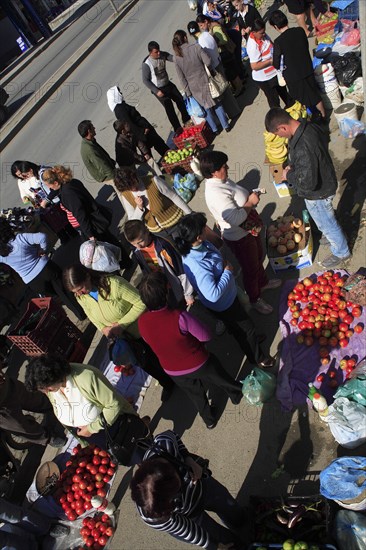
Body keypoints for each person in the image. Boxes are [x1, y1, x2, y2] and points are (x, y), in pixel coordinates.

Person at [138, 271, 243, 428]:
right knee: (219, 376)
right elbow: (205, 336)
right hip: (198, 362)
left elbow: (150, 340)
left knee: (195, 394)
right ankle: (235, 393)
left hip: (172, 369)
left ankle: (209, 420)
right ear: (167, 292)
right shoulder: (179, 317)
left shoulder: (142, 322)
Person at [174, 213, 275, 368]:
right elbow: (212, 295)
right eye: (204, 229)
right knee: (246, 328)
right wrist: (227, 271)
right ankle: (258, 358)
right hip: (224, 304)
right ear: (198, 236)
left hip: (228, 295)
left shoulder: (199, 246)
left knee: (239, 328)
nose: (207, 229)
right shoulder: (197, 265)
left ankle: (251, 341)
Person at [62, 265, 174, 397]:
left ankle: (178, 375)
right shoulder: (81, 297)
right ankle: (166, 382)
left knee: (160, 356)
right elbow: (91, 316)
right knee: (145, 363)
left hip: (141, 330)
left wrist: (121, 325)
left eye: (80, 289)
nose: (79, 294)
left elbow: (141, 303)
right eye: (75, 292)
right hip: (125, 338)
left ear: (87, 276)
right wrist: (103, 329)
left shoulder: (114, 284)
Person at [130, 429, 246, 549]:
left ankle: (240, 521)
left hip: (204, 488)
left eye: (176, 492)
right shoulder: (152, 513)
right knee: (224, 541)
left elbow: (172, 435)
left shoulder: (164, 445)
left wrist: (188, 459)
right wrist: (214, 545)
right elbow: (186, 530)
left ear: (173, 471)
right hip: (191, 516)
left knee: (230, 508)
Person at [265, 108, 351, 268]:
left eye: (277, 134)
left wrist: (287, 176)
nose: (279, 137)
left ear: (283, 127)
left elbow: (307, 182)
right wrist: (294, 166)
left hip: (318, 193)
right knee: (326, 220)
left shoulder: (303, 146)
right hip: (326, 180)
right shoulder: (307, 126)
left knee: (326, 222)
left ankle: (341, 251)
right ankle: (332, 236)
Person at [201, 150, 280, 314]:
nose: (227, 167)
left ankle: (263, 282)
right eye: (223, 166)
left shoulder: (220, 181)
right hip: (239, 237)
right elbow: (235, 219)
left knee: (258, 257)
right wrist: (250, 202)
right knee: (250, 269)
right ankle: (255, 298)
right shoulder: (215, 193)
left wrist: (248, 197)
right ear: (213, 172)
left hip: (248, 231)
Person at [24, 354, 140, 443]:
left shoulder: (87, 378)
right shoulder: (52, 389)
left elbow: (113, 405)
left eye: (46, 388)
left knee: (138, 451)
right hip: (98, 435)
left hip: (119, 427)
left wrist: (91, 428)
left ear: (55, 376)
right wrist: (83, 440)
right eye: (42, 389)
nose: (46, 392)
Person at [41, 165, 132, 268]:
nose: (49, 188)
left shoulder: (68, 194)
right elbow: (56, 191)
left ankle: (118, 265)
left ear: (56, 183)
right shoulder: (70, 183)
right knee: (109, 241)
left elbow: (80, 214)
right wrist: (47, 199)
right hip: (92, 221)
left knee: (102, 250)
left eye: (49, 186)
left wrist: (90, 234)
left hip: (90, 225)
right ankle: (125, 262)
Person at [0, 218, 85, 320]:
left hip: (33, 282)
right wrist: (42, 250)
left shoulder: (2, 254)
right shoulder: (19, 239)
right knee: (66, 291)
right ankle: (82, 312)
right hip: (46, 269)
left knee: (58, 297)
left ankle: (74, 314)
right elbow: (42, 236)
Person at [124, 219, 194, 307]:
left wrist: (188, 294)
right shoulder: (137, 251)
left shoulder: (163, 246)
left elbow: (180, 271)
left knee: (180, 308)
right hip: (161, 289)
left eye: (140, 241)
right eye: (134, 244)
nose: (138, 246)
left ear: (147, 231)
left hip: (175, 287)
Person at [269, 10, 325, 118]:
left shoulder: (278, 42)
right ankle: (323, 116)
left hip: (293, 77)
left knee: (301, 101)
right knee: (314, 95)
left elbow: (276, 64)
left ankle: (309, 120)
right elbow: (304, 45)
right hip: (307, 68)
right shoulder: (300, 31)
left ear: (275, 26)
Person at [172, 30, 230, 134]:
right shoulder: (196, 47)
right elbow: (208, 61)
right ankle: (226, 125)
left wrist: (188, 92)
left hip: (193, 87)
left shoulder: (176, 58)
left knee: (205, 108)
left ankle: (215, 129)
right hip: (205, 80)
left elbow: (182, 78)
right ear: (185, 38)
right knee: (216, 102)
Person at [114, 167, 192, 239]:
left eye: (133, 183)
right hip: (157, 233)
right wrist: (139, 208)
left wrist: (191, 213)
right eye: (129, 188)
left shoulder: (154, 181)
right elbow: (132, 220)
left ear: (135, 177)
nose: (134, 188)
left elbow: (174, 197)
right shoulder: (125, 195)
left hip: (175, 223)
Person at [0, 368, 66, 448]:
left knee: (35, 398)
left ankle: (58, 406)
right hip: (2, 408)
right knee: (21, 427)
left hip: (8, 385)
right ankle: (49, 438)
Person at [106, 86, 169, 158]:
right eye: (119, 92)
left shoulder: (120, 106)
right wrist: (142, 132)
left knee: (156, 145)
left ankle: (167, 157)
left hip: (142, 130)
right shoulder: (120, 109)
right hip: (141, 132)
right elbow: (129, 124)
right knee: (152, 148)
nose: (121, 93)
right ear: (114, 96)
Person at [142, 41, 190, 132]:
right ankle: (178, 128)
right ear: (150, 53)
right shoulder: (146, 64)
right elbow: (145, 80)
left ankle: (186, 119)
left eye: (159, 50)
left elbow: (172, 58)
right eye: (156, 52)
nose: (158, 53)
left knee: (179, 98)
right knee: (169, 108)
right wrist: (156, 91)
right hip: (159, 89)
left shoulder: (162, 55)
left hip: (167, 84)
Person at [246, 18, 293, 108]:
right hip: (265, 78)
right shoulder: (252, 46)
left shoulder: (262, 36)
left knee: (283, 92)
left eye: (264, 32)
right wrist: (271, 61)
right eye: (261, 33)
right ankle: (278, 118)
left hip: (274, 72)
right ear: (254, 32)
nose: (264, 34)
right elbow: (254, 66)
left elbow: (271, 45)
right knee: (273, 99)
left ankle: (293, 109)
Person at [196, 14, 244, 96]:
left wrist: (215, 43)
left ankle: (240, 88)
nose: (202, 28)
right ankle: (239, 86)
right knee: (232, 71)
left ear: (206, 21)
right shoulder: (211, 28)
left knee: (231, 72)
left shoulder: (215, 28)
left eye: (201, 25)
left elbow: (224, 40)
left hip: (226, 52)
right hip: (224, 52)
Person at [77, 120, 116, 185]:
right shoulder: (89, 149)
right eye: (92, 127)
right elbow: (102, 166)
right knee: (123, 192)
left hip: (108, 171)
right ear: (89, 131)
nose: (94, 128)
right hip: (108, 175)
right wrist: (114, 177)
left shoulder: (89, 141)